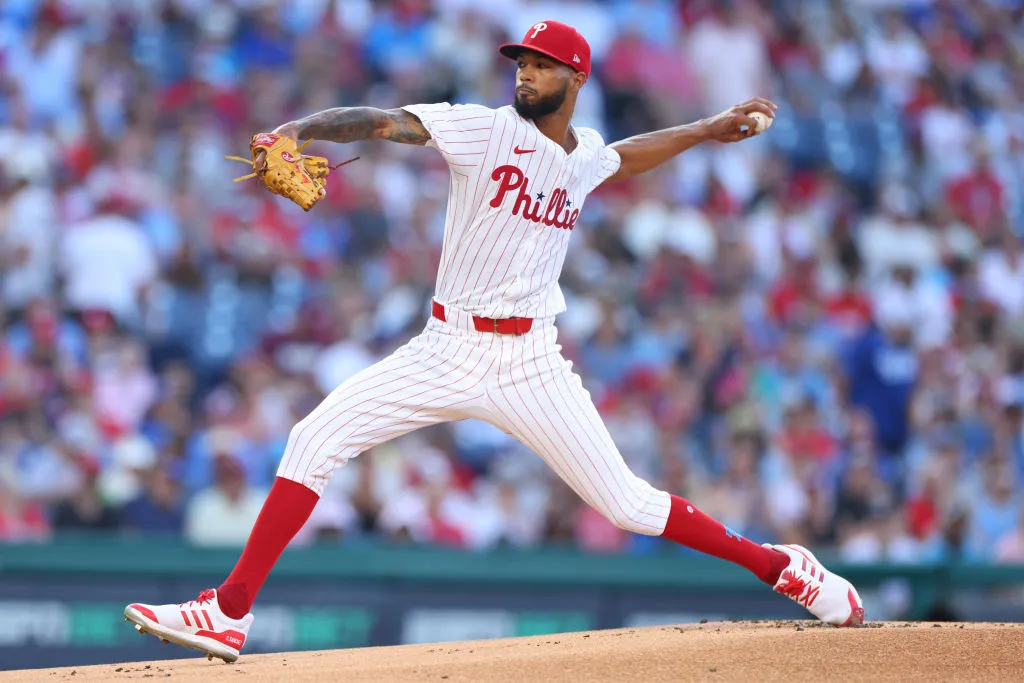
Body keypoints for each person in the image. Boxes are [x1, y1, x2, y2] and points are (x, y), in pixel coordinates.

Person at [124, 21, 863, 663]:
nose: (526, 73)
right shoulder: (484, 129)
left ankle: (780, 567)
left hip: (530, 360)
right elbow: (383, 122)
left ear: (575, 78)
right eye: (521, 63)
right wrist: (298, 131)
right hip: (444, 347)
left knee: (629, 505)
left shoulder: (579, 156)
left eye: (540, 65)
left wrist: (703, 129)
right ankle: (229, 609)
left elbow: (623, 155)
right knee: (312, 438)